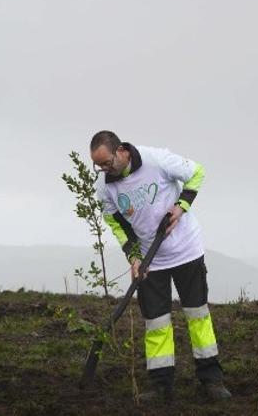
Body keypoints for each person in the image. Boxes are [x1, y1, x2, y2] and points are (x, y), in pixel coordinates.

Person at [90, 130, 230, 402]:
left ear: (121, 151)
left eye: (107, 163)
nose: (104, 170)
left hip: (186, 251)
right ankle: (161, 385)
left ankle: (211, 380)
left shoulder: (157, 160)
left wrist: (180, 208)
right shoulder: (104, 186)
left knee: (197, 314)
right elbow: (116, 224)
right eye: (98, 165)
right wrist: (133, 256)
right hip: (149, 260)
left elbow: (197, 172)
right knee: (156, 322)